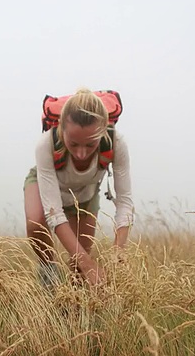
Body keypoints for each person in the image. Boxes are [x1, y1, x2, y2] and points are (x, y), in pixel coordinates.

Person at [23, 87, 134, 288]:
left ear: (102, 135)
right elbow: (53, 212)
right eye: (73, 144)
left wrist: (118, 255)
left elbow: (125, 202)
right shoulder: (46, 144)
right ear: (61, 130)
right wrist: (88, 263)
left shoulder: (116, 143)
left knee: (79, 267)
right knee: (36, 223)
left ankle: (74, 308)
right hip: (46, 186)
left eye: (90, 145)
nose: (81, 154)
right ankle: (49, 279)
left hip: (86, 193)